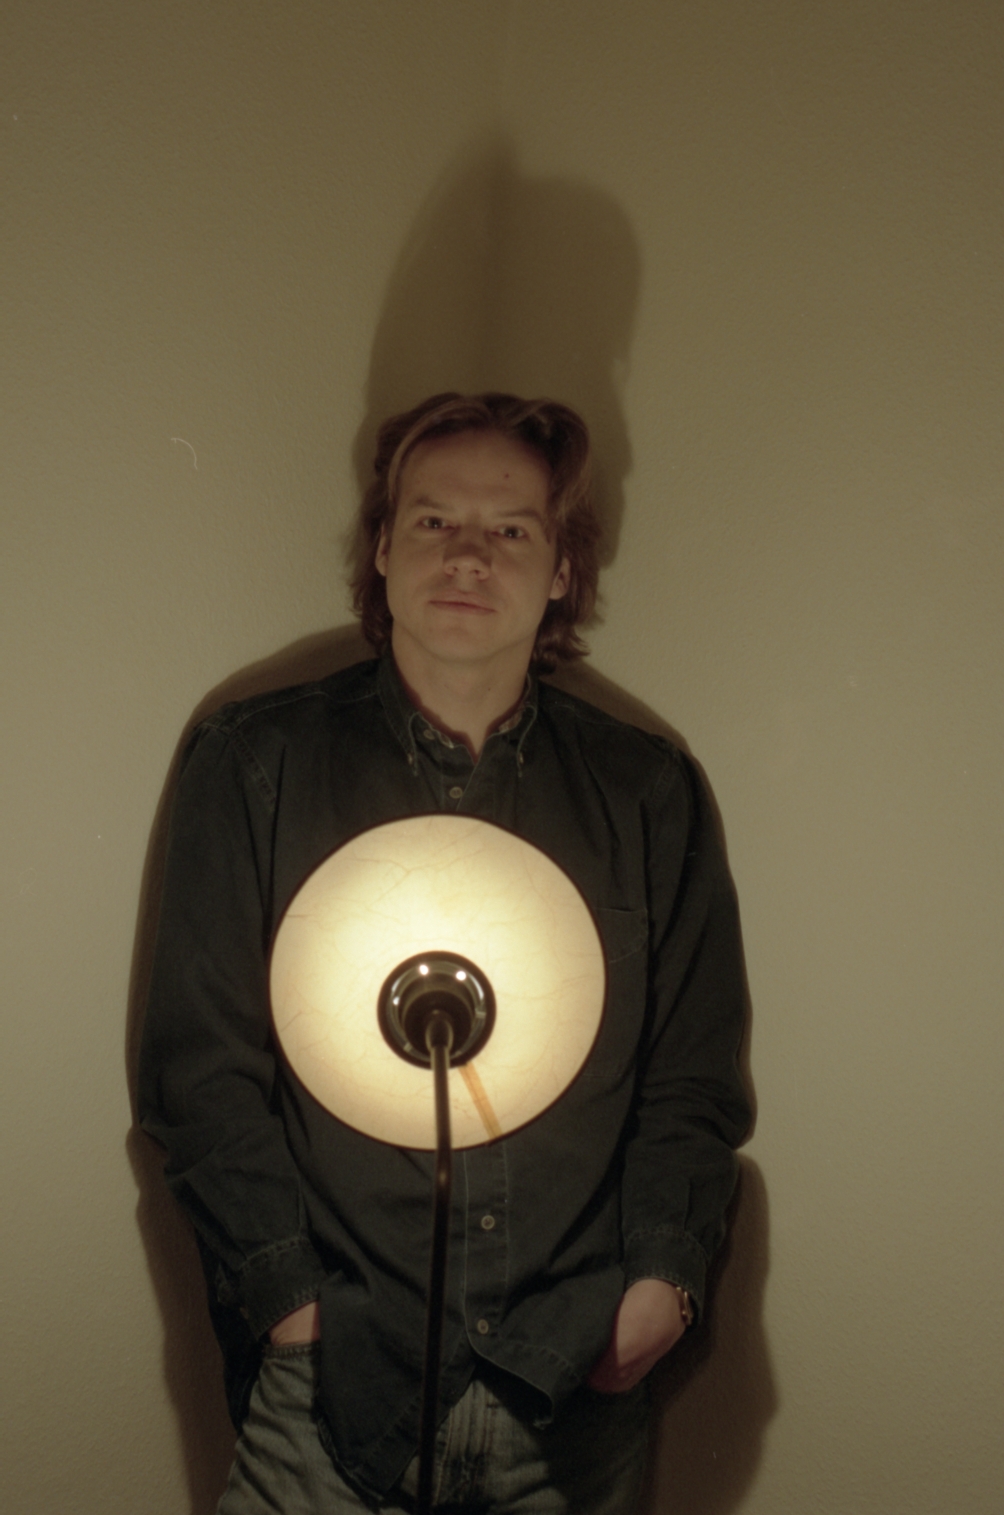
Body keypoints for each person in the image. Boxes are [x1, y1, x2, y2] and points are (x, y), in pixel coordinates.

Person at [139, 391, 751, 1515]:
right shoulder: (258, 763)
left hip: (568, 1385)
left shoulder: (646, 791)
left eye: (510, 528)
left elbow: (690, 1073)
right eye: (432, 520)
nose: (468, 555)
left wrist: (660, 1285)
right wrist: (293, 1306)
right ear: (381, 546)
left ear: (562, 568)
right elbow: (198, 1066)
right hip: (334, 1391)